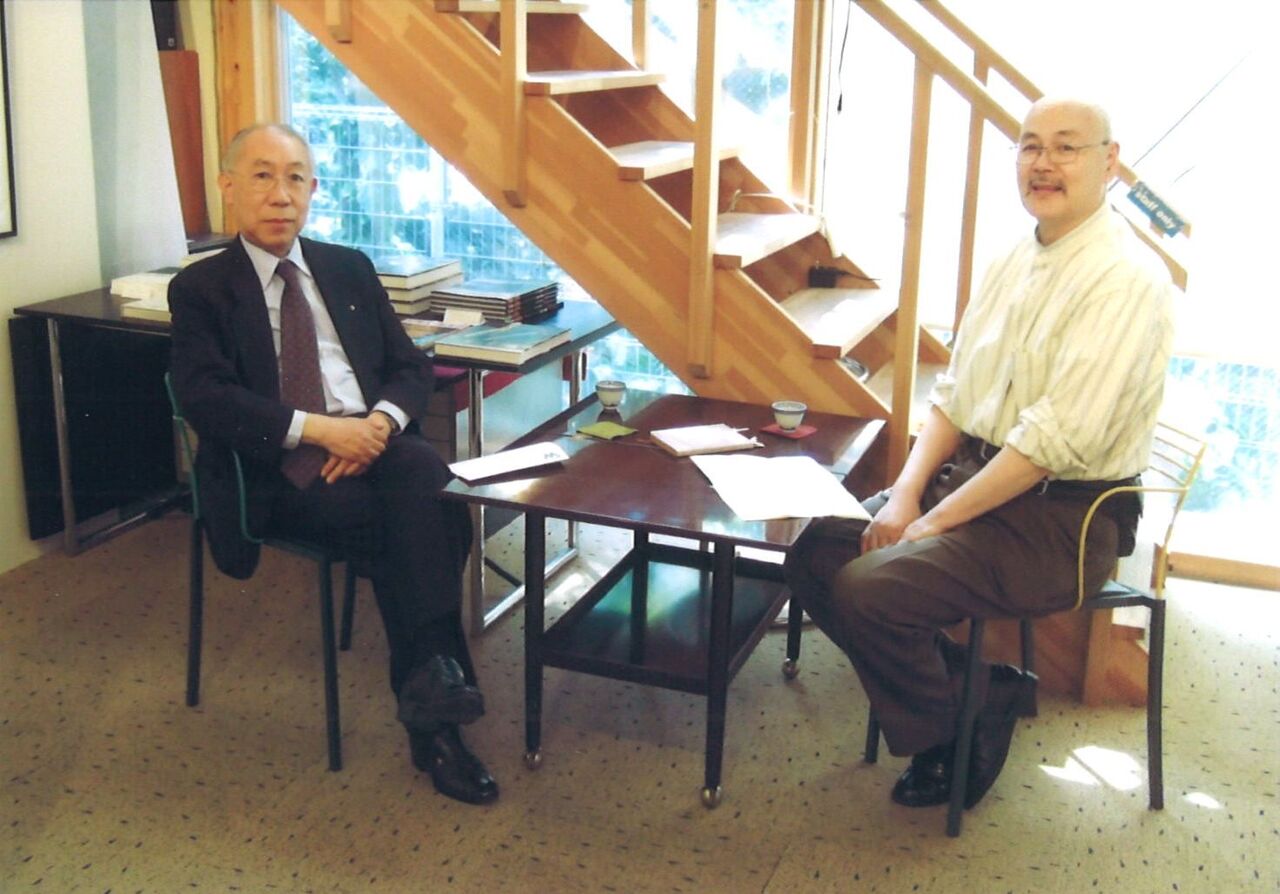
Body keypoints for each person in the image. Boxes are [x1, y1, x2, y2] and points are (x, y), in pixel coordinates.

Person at [785, 98, 1174, 809]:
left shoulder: (1127, 279)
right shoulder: (1012, 257)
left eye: (1066, 147)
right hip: (977, 478)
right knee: (816, 553)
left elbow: (1050, 443)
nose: (1044, 164)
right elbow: (956, 395)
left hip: (1062, 519)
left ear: (1110, 162)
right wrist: (906, 494)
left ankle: (951, 726)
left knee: (870, 589)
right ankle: (979, 693)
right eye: (1030, 146)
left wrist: (930, 524)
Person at [169, 123, 497, 805]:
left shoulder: (347, 267)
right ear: (228, 186)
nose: (280, 194)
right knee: (419, 522)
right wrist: (320, 431)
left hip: (372, 443)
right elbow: (206, 397)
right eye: (262, 175)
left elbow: (409, 365)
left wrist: (377, 425)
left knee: (429, 486)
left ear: (314, 189)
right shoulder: (201, 288)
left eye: (295, 177)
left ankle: (431, 690)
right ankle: (436, 710)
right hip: (279, 466)